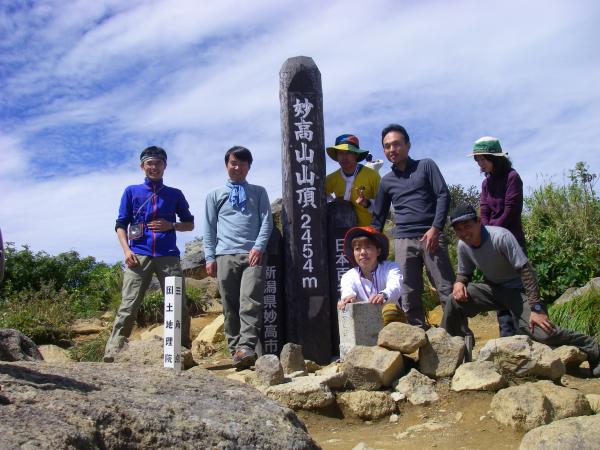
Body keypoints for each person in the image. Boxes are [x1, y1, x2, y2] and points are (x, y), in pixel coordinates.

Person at [442, 204, 600, 377]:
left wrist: (536, 308)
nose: (464, 233)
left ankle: (590, 345)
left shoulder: (500, 237)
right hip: (493, 289)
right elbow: (464, 272)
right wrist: (459, 283)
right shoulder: (463, 245)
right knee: (453, 301)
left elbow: (527, 272)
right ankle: (449, 352)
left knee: (541, 332)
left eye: (467, 226)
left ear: (479, 222)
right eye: (458, 229)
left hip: (519, 291)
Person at [104, 146, 195, 362]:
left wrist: (171, 225)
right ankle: (112, 352)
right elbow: (120, 224)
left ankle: (181, 352)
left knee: (177, 303)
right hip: (138, 255)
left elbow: (189, 224)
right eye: (149, 163)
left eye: (158, 163)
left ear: (165, 165)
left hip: (168, 255)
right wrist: (127, 250)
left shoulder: (174, 194)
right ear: (142, 166)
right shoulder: (131, 191)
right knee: (128, 304)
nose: (154, 167)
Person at [371, 124, 454, 329]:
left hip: (431, 235)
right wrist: (371, 244)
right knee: (407, 293)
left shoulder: (426, 166)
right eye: (387, 146)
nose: (392, 149)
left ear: (408, 145)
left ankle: (458, 334)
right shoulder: (386, 181)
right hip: (403, 240)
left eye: (396, 144)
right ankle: (416, 336)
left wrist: (436, 228)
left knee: (446, 288)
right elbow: (378, 217)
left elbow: (443, 195)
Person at [203, 146, 273, 369]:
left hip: (253, 255)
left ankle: (246, 347)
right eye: (234, 163)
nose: (238, 167)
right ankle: (236, 351)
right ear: (227, 165)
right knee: (230, 306)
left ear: (249, 167)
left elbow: (267, 221)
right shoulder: (214, 195)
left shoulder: (259, 192)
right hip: (224, 255)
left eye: (243, 164)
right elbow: (209, 228)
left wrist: (258, 247)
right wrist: (209, 257)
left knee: (250, 301)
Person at [470, 136, 525, 337]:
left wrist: (492, 232)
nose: (480, 163)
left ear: (495, 157)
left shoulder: (512, 177)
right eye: (477, 160)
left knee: (516, 287)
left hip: (511, 240)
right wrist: (485, 233)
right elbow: (484, 209)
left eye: (483, 159)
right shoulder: (486, 183)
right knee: (497, 287)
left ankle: (522, 332)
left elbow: (511, 210)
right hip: (491, 242)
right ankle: (506, 334)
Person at [337, 226, 405, 325]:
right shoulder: (348, 276)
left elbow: (395, 286)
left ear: (378, 251)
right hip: (364, 325)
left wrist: (383, 295)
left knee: (390, 311)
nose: (362, 252)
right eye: (357, 249)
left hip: (392, 324)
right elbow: (347, 290)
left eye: (368, 247)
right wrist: (347, 299)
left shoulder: (391, 267)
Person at [325, 134, 381, 226]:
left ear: (356, 155)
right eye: (340, 153)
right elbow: (319, 195)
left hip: (368, 231)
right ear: (337, 156)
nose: (344, 157)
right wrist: (333, 202)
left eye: (349, 153)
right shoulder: (331, 179)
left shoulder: (372, 176)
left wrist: (367, 203)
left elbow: (383, 205)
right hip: (340, 231)